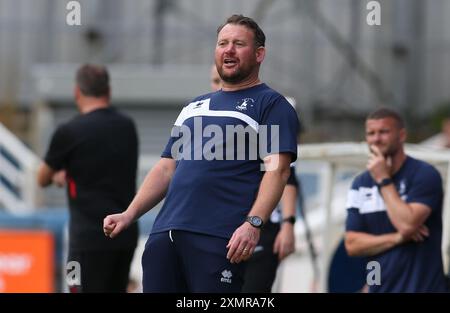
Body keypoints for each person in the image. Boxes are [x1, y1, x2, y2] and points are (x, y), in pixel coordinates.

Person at [103, 14, 300, 293]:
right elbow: (166, 169)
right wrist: (128, 214)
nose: (228, 50)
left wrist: (253, 223)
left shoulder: (271, 105)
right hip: (165, 235)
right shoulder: (194, 106)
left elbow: (277, 171)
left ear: (259, 54)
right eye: (223, 43)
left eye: (238, 44)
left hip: (219, 238)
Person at [37, 64, 139, 293]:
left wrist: (59, 174)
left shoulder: (69, 131)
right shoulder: (127, 126)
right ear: (108, 92)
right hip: (124, 235)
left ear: (77, 93)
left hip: (87, 239)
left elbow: (42, 178)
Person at [209, 64, 297, 292]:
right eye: (215, 81)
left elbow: (285, 175)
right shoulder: (204, 120)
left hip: (260, 226)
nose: (220, 86)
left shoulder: (265, 113)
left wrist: (288, 225)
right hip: (218, 226)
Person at [344, 107, 447, 292]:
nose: (376, 139)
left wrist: (383, 179)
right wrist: (397, 238)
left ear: (401, 135)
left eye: (383, 132)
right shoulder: (360, 183)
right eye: (371, 133)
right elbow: (352, 244)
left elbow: (406, 224)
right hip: (377, 287)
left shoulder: (424, 174)